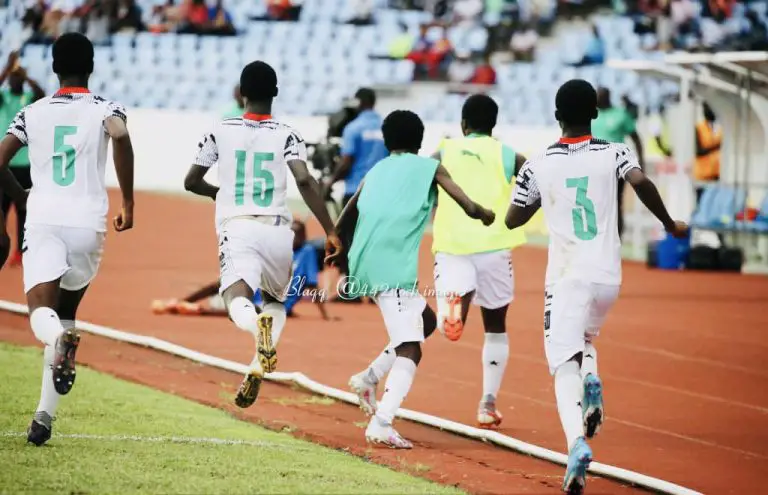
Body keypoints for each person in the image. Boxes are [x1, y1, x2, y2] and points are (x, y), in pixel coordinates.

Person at [505, 79, 688, 493]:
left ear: (557, 116)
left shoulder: (538, 163)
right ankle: (591, 376)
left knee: (561, 364)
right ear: (595, 114)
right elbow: (640, 182)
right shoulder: (615, 151)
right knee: (585, 337)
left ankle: (576, 445)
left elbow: (512, 220)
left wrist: (540, 194)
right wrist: (668, 223)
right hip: (607, 277)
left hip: (566, 277)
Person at [349, 94, 527, 430]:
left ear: (463, 124)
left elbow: (411, 172)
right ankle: (487, 404)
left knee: (430, 322)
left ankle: (452, 309)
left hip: (452, 246)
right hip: (495, 244)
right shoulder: (507, 154)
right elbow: (534, 181)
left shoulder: (444, 151)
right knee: (495, 327)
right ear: (494, 125)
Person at [327, 109, 494, 448]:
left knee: (427, 321)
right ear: (420, 141)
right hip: (391, 270)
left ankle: (369, 378)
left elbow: (349, 211)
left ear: (386, 141)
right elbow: (468, 205)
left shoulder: (376, 169)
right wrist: (487, 214)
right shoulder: (430, 167)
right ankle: (382, 422)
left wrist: (336, 241)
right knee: (411, 348)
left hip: (364, 263)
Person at [0, 33, 135, 447]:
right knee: (67, 313)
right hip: (88, 223)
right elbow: (121, 136)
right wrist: (128, 202)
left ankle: (58, 341)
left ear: (54, 68)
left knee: (43, 314)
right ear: (90, 67)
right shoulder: (107, 108)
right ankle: (43, 418)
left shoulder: (32, 112)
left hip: (44, 219)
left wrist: (20, 196)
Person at [183, 60, 341, 410]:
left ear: (241, 93)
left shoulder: (219, 130)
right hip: (278, 230)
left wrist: (218, 193)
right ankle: (257, 364)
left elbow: (191, 181)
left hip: (238, 226)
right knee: (275, 302)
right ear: (276, 93)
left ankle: (257, 329)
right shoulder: (288, 134)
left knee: (235, 298)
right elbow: (304, 180)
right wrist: (330, 230)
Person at [151, 220, 336, 319]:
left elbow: (312, 285)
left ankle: (198, 311)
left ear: (304, 237)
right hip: (260, 293)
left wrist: (325, 316)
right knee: (226, 281)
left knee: (248, 310)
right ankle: (181, 302)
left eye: (297, 235)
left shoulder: (307, 252)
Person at [322, 87, 388, 303]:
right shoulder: (385, 127)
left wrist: (330, 182)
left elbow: (346, 161)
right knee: (375, 240)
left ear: (359, 102)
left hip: (355, 192)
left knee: (350, 240)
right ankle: (377, 289)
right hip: (381, 192)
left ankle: (352, 289)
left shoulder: (353, 128)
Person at [0, 51, 46, 267]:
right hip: (4, 165)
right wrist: (8, 68)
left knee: (23, 210)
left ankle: (20, 251)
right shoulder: (3, 98)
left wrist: (25, 76)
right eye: (12, 77)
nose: (14, 80)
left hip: (25, 165)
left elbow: (41, 94)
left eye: (17, 77)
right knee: (2, 209)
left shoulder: (28, 99)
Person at [592, 86, 645, 238]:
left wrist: (641, 162)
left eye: (598, 97)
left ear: (606, 97)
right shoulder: (592, 115)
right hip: (594, 167)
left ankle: (617, 239)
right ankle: (597, 237)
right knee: (596, 203)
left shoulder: (621, 114)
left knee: (615, 203)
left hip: (616, 166)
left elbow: (636, 138)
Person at [693, 102, 721, 203]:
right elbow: (698, 151)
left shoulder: (721, 127)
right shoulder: (699, 128)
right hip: (702, 177)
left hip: (717, 176)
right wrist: (717, 146)